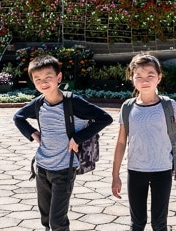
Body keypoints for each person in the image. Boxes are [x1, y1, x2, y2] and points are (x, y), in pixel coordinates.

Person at [13, 55, 113, 231]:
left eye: (48, 77)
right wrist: (33, 134)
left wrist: (77, 138)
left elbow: (105, 118)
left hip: (64, 169)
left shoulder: (72, 102)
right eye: (38, 79)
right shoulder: (38, 103)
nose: (43, 82)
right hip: (42, 167)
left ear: (59, 78)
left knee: (57, 221)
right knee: (45, 218)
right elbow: (18, 117)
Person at [111, 53, 176, 231]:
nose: (145, 80)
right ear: (132, 78)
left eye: (150, 75)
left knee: (159, 224)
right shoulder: (127, 107)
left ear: (159, 77)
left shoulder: (168, 105)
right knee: (137, 223)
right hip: (135, 170)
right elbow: (121, 143)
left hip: (162, 170)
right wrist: (115, 175)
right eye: (139, 76)